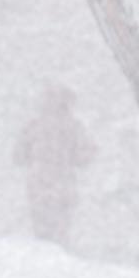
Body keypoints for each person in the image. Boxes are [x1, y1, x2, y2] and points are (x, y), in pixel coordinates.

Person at [18, 78, 86, 249]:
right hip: (64, 182)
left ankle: (45, 258)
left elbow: (19, 156)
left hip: (39, 182)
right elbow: (85, 156)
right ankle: (60, 257)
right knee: (62, 227)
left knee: (42, 225)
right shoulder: (74, 126)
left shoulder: (33, 126)